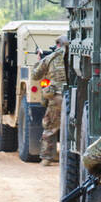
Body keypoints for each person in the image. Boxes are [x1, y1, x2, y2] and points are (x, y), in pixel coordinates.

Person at [29, 35, 67, 165]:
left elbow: (35, 75)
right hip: (75, 97)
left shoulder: (52, 57)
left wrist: (39, 60)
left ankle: (46, 158)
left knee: (50, 127)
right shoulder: (76, 55)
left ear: (58, 45)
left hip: (57, 97)